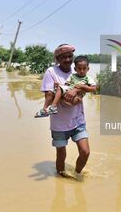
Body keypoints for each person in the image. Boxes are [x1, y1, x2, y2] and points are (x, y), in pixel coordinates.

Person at [39, 44, 97, 180]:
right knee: (61, 155)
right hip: (59, 123)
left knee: (85, 151)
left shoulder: (78, 71)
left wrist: (76, 89)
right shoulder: (51, 72)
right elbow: (49, 94)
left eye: (70, 56)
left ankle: (77, 174)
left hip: (78, 120)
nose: (67, 59)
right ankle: (61, 182)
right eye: (63, 57)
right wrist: (64, 96)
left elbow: (90, 88)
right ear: (57, 59)